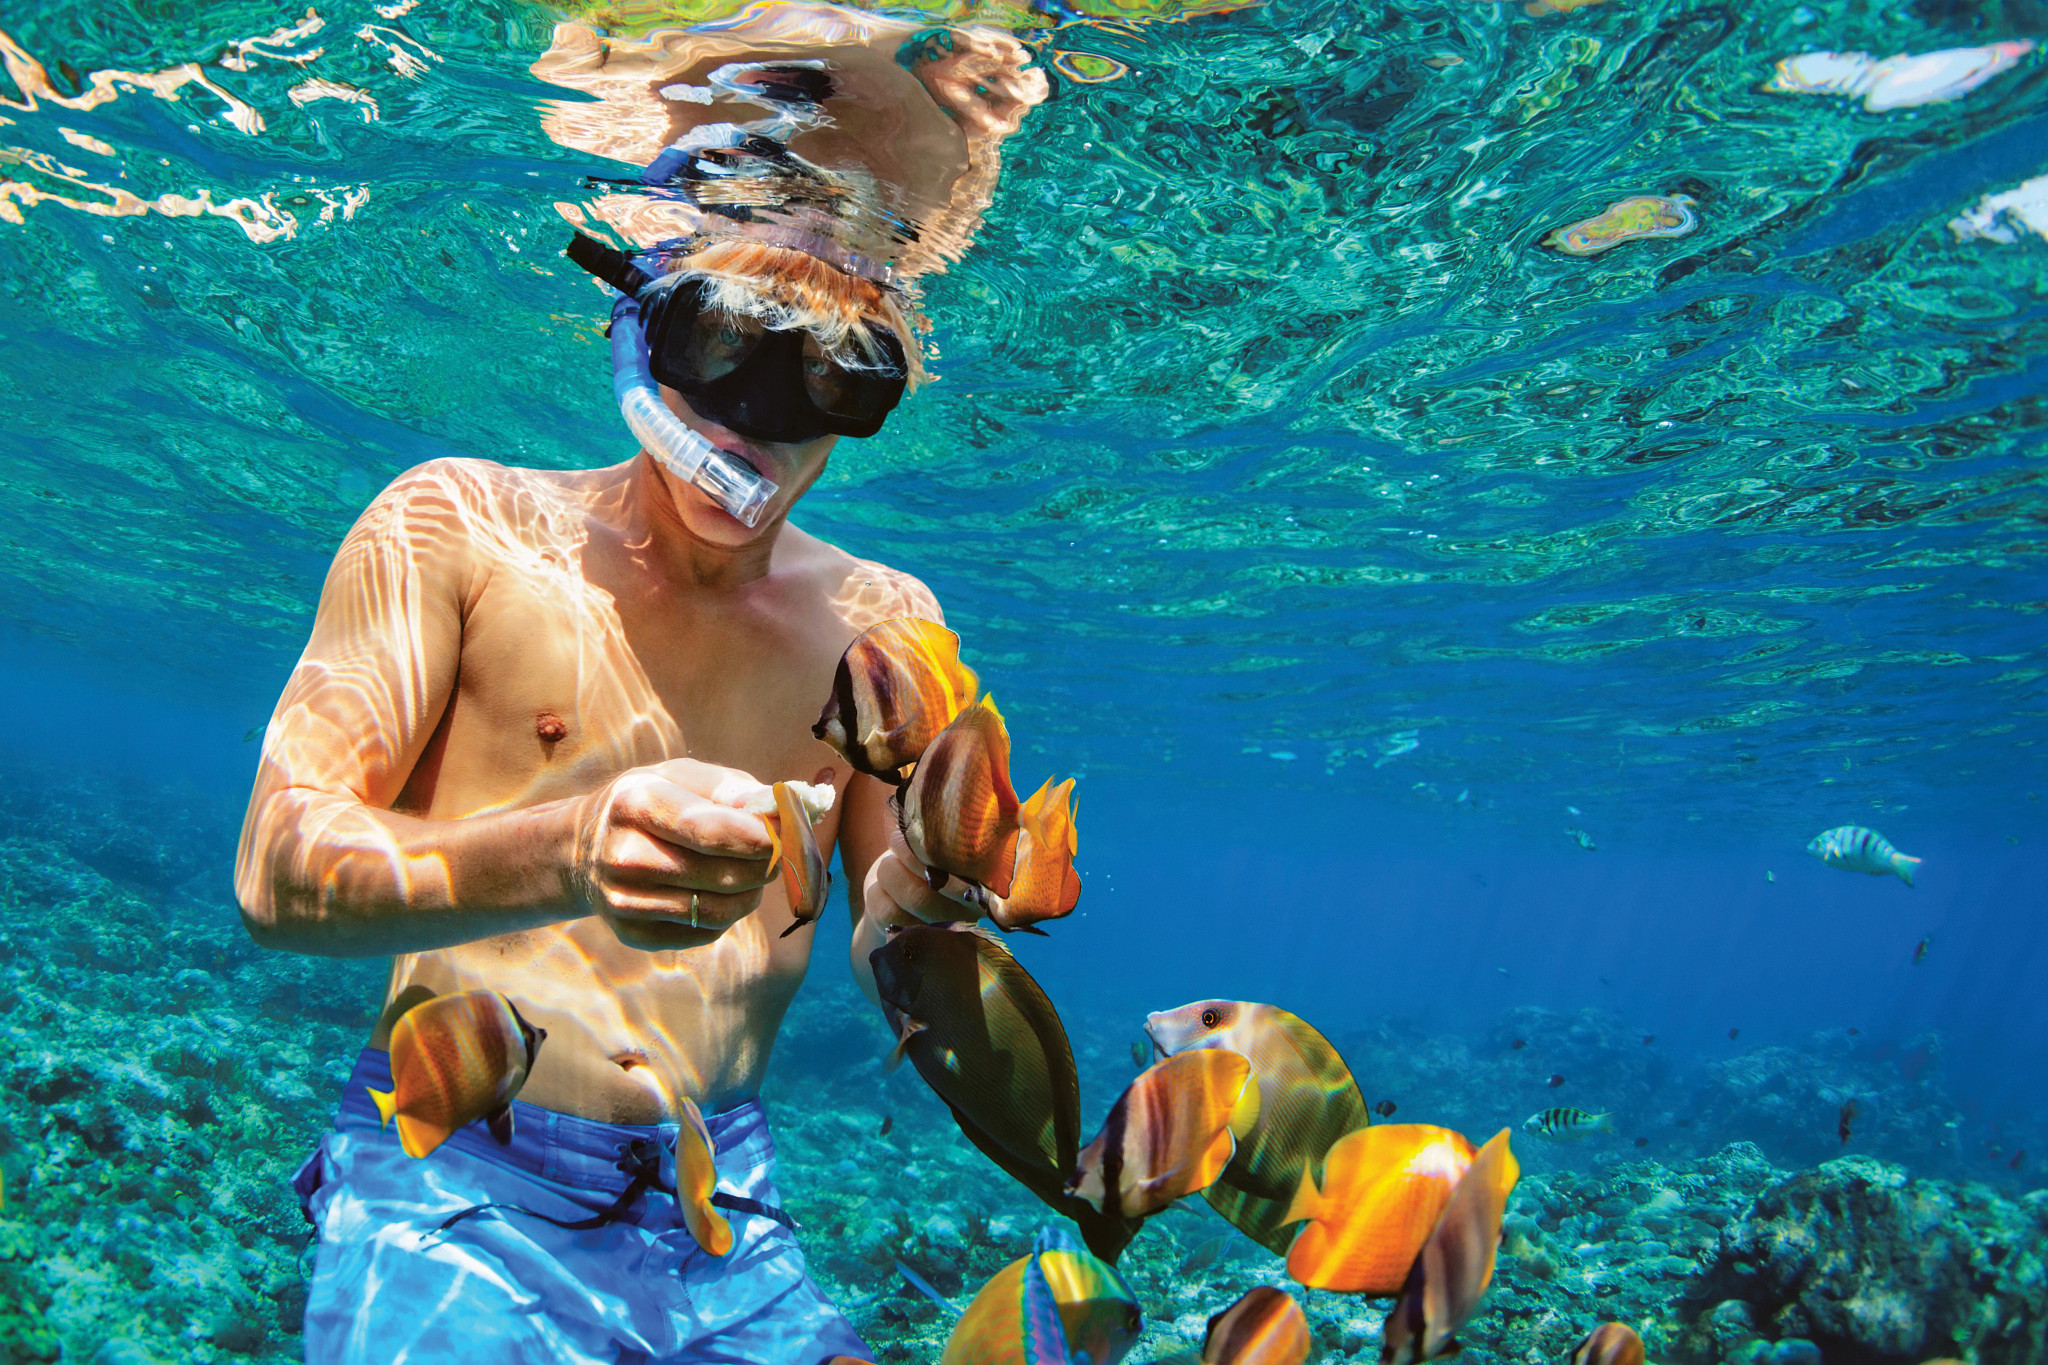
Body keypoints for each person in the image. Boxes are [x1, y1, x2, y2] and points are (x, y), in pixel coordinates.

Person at [235, 11, 1045, 1363]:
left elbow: (890, 923)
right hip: (451, 1171)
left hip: (720, 1198)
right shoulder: (457, 527)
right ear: (637, 328)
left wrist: (939, 901)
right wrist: (571, 847)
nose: (756, 419)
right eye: (714, 342)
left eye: (834, 380)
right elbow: (278, 867)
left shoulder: (886, 622)